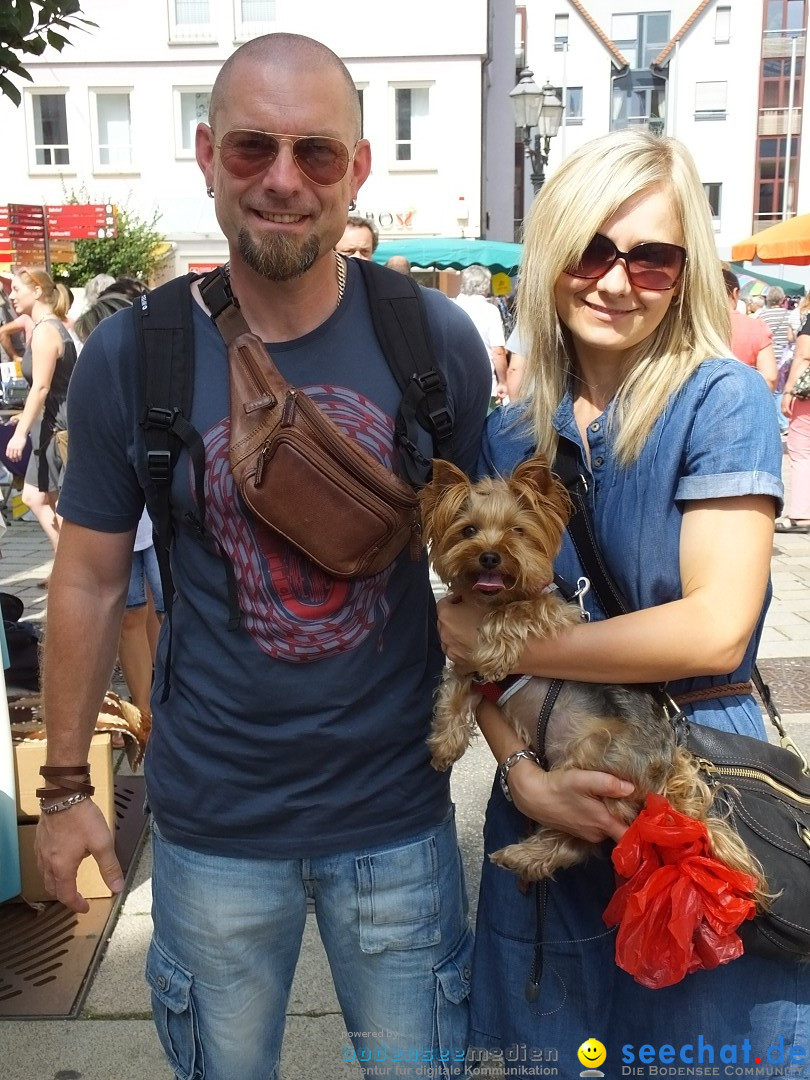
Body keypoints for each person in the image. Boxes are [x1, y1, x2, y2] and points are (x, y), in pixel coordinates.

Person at [36, 31, 491, 1080]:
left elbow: (487, 576)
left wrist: (518, 751)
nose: (283, 179)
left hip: (397, 824)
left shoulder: (434, 344)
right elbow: (93, 578)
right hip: (213, 830)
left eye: (315, 154)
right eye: (252, 149)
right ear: (205, 155)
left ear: (356, 170)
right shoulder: (133, 353)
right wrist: (66, 792)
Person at [437, 128, 807, 1071]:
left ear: (685, 274)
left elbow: (713, 626)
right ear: (554, 254)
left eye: (652, 256)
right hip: (552, 791)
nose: (617, 279)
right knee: (565, 1053)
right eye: (595, 249)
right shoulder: (511, 428)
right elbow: (469, 655)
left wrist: (507, 647)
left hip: (693, 779)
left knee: (700, 1048)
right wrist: (523, 776)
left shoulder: (720, 398)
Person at [5, 268, 77, 555]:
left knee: (62, 506)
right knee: (35, 496)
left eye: (16, 290)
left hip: (60, 428)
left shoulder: (46, 330)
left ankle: (72, 566)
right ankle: (65, 562)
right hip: (51, 426)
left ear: (37, 292)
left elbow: (42, 387)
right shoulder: (45, 327)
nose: (11, 296)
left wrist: (20, 434)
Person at [453, 264, 508, 404]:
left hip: (453, 384)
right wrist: (503, 382)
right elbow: (498, 351)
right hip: (483, 384)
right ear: (485, 287)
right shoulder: (490, 311)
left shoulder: (451, 305)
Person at [722, 268, 777, 390]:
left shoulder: (689, 325)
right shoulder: (756, 327)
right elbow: (770, 378)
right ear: (735, 293)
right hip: (742, 399)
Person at [776, 334, 810, 533]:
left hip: (807, 398)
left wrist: (788, 391)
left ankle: (802, 513)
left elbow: (805, 355)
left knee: (801, 450)